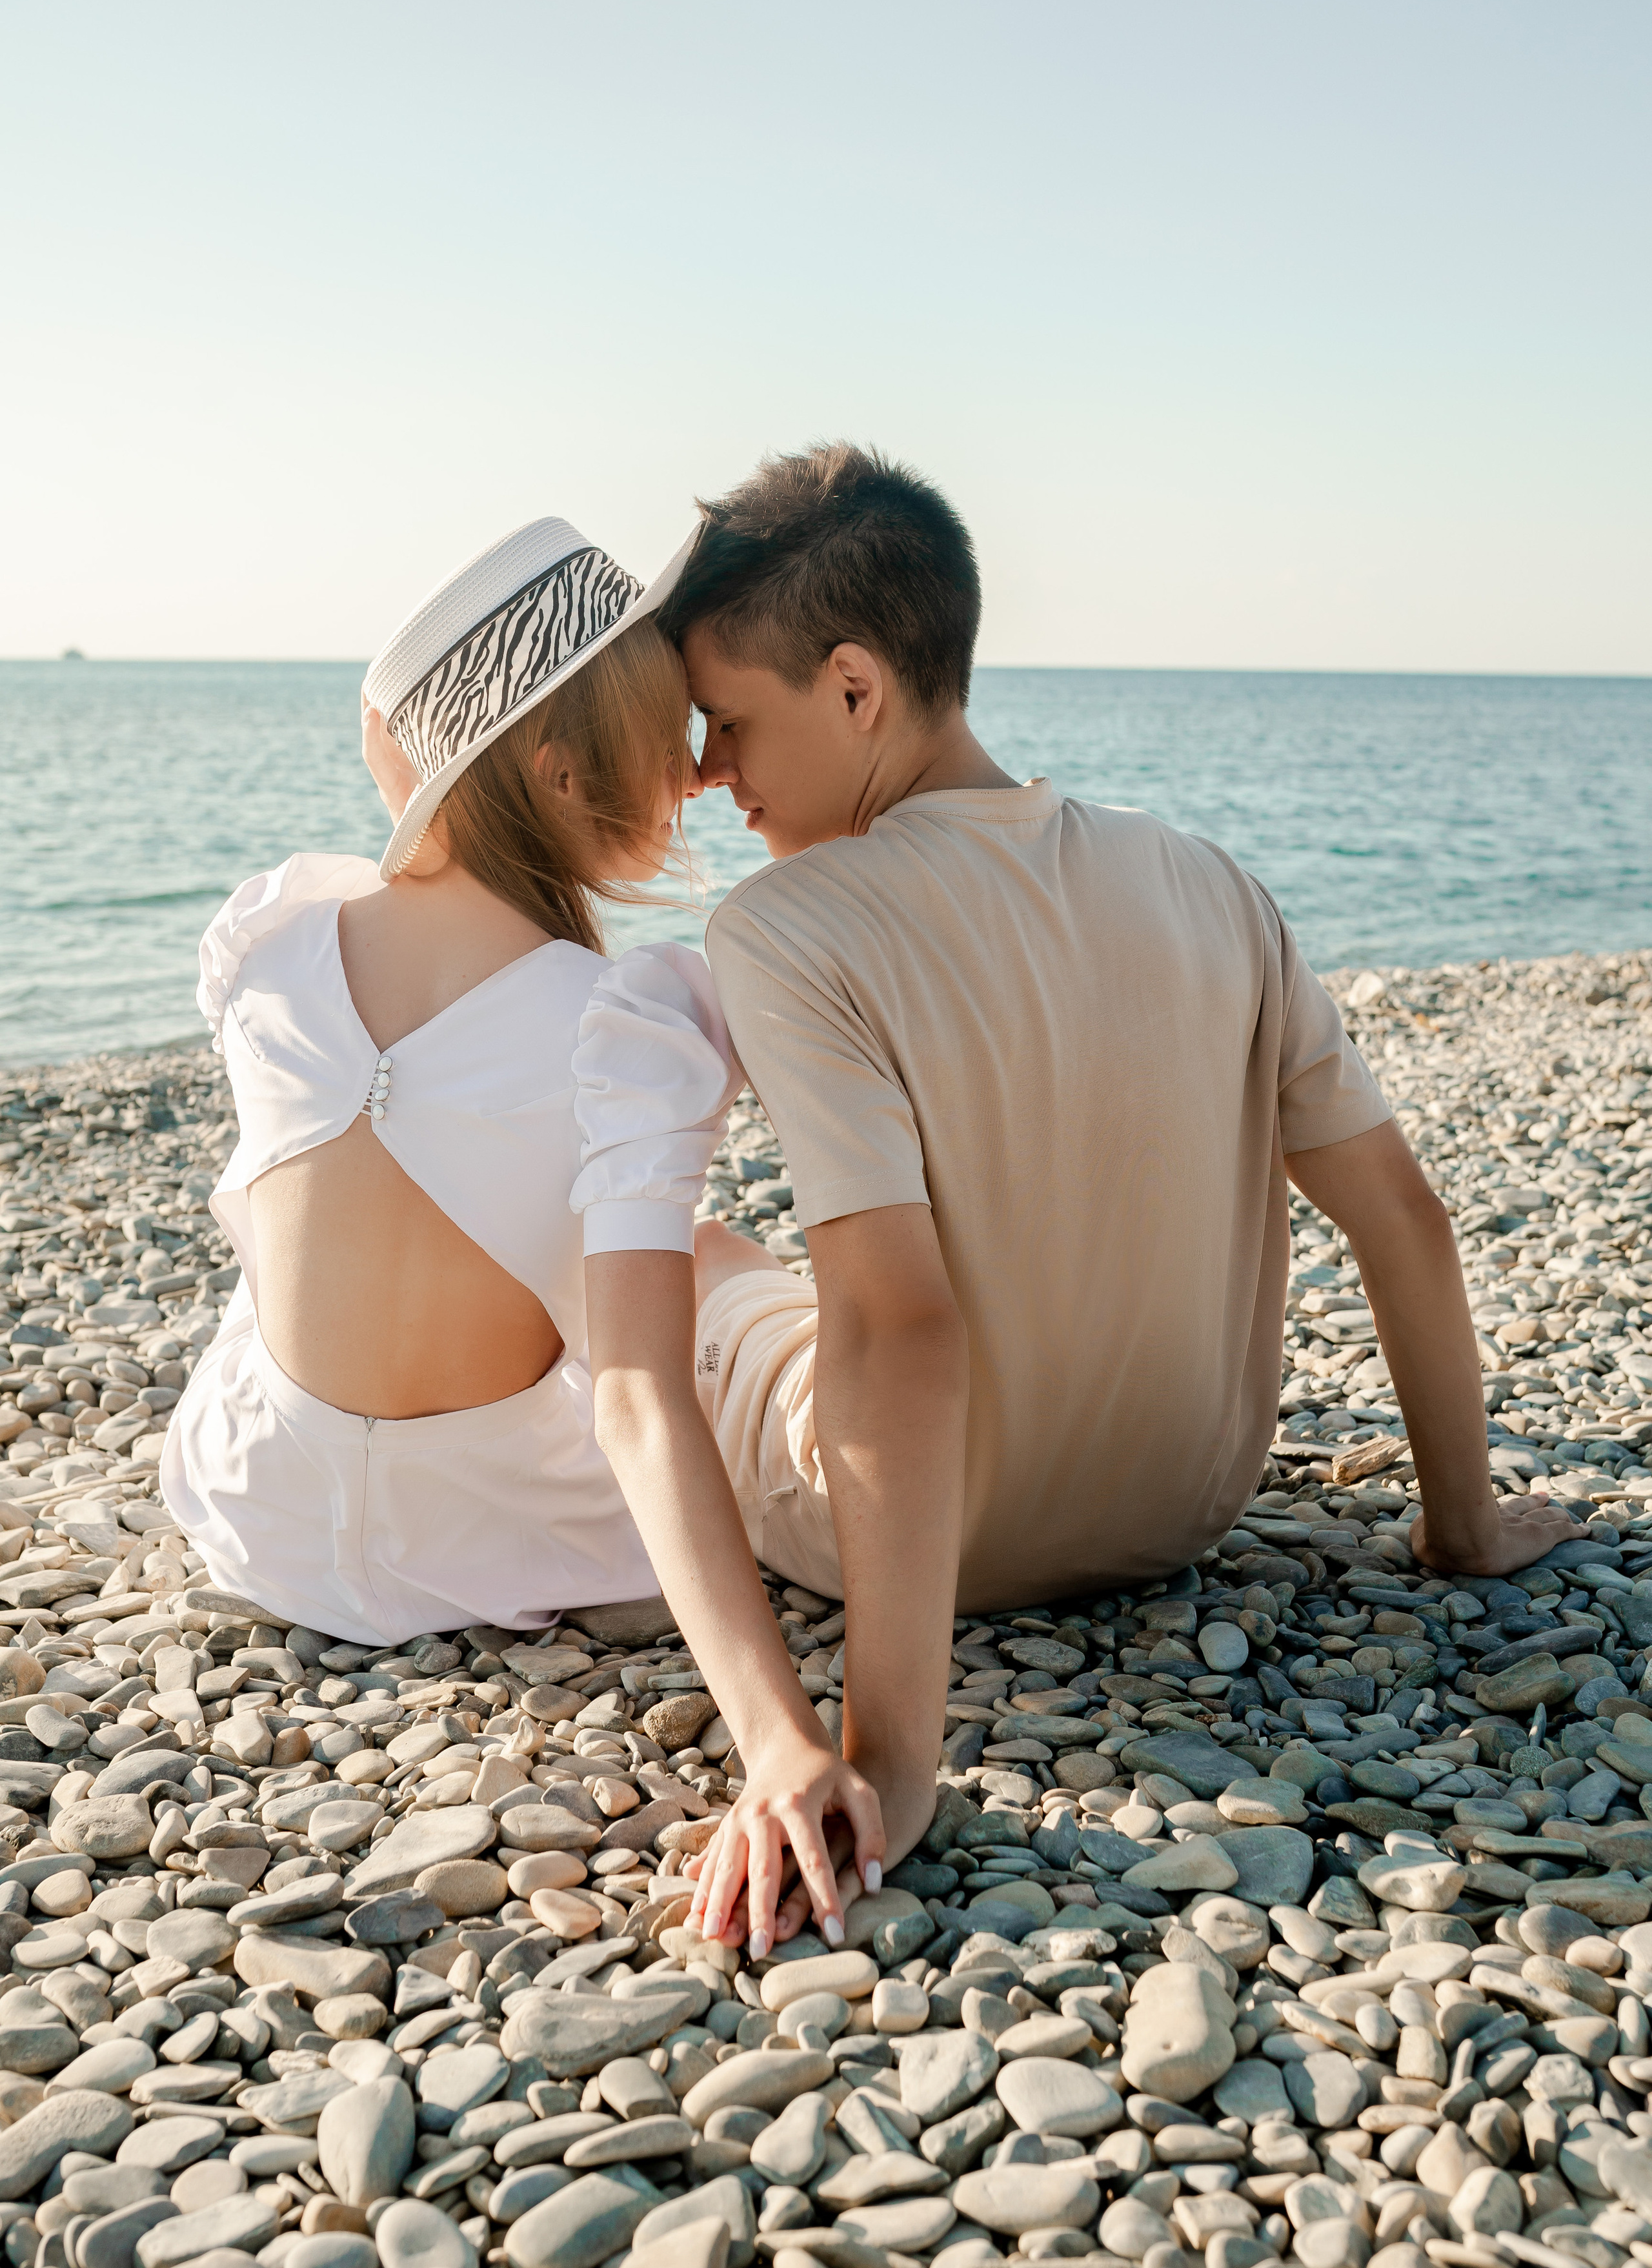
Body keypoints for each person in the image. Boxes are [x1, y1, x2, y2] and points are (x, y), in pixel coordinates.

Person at [647, 440, 1587, 1952]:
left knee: (696, 1257)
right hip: (1185, 1504)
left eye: (729, 721)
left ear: (852, 687)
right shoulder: (1209, 882)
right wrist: (1460, 1524)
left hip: (949, 1540)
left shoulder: (786, 926)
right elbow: (1400, 1217)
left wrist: (893, 1758)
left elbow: (898, 1324)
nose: (708, 771)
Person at [159, 505, 889, 1948]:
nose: (694, 773)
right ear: (558, 771)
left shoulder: (277, 937)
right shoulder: (620, 1021)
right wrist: (779, 1737)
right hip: (489, 1535)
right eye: (661, 736)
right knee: (701, 1273)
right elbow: (635, 1396)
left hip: (262, 1511)